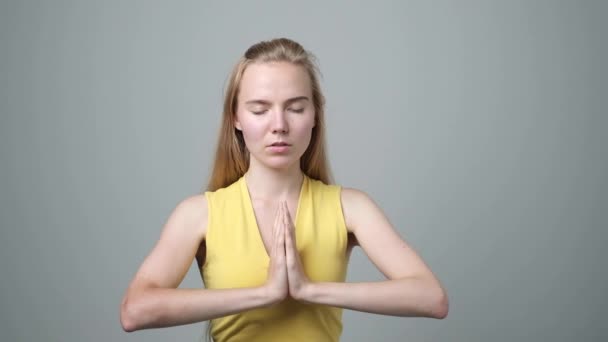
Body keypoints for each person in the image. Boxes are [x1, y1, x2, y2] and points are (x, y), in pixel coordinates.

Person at [119, 37, 449, 341]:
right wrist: (265, 294)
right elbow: (135, 311)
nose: (279, 125)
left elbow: (431, 297)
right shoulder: (198, 215)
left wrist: (310, 290)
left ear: (315, 115)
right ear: (236, 117)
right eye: (260, 109)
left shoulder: (352, 208)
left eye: (295, 108)